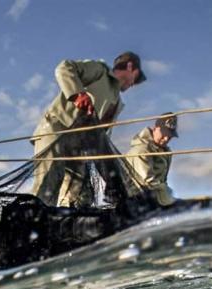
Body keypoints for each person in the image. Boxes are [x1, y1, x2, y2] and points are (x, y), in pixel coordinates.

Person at [31, 52, 145, 207]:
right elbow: (64, 67)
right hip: (56, 130)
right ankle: (30, 225)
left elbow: (102, 137)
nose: (134, 84)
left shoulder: (117, 103)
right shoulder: (100, 71)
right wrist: (77, 95)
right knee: (48, 184)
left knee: (82, 194)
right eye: (136, 78)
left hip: (79, 149)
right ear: (130, 66)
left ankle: (67, 226)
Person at [128, 112, 178, 206]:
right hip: (139, 202)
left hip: (156, 199)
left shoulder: (165, 152)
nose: (166, 138)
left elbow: (162, 181)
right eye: (164, 133)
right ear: (155, 129)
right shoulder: (141, 150)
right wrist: (171, 202)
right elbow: (148, 183)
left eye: (170, 135)